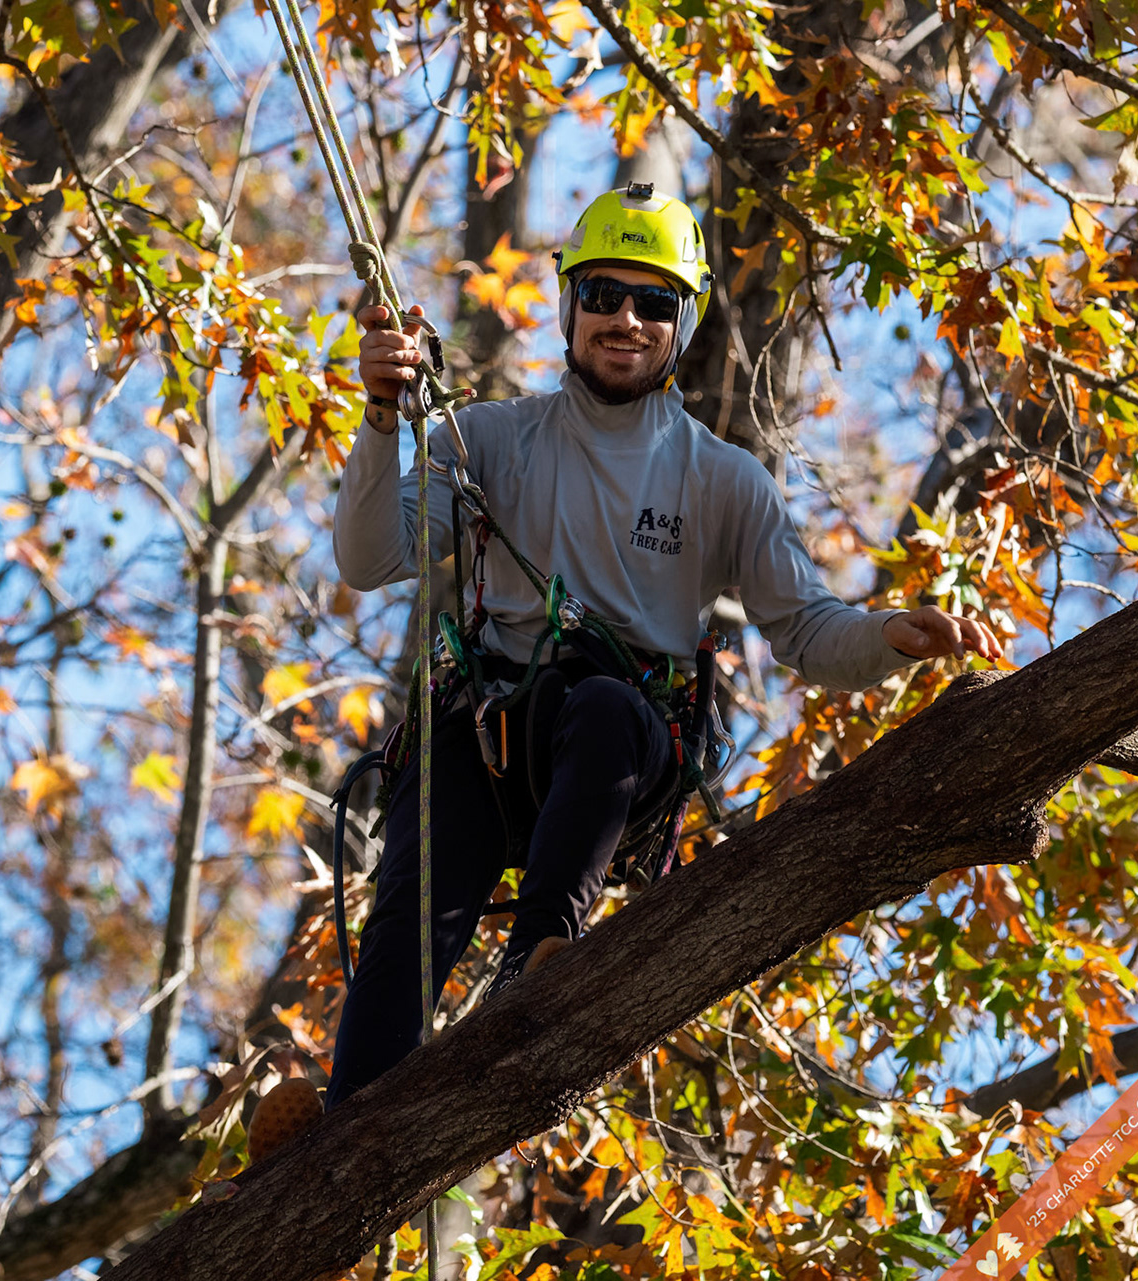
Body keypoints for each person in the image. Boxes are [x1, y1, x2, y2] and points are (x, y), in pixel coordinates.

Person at [246, 183, 1001, 1162]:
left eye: (652, 304)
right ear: (569, 306)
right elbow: (367, 559)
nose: (625, 320)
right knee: (407, 911)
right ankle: (337, 1143)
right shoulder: (489, 440)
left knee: (603, 704)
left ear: (679, 325)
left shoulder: (722, 480)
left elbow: (808, 629)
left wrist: (893, 634)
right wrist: (384, 415)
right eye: (603, 293)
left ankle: (539, 975)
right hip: (488, 739)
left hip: (611, 756)